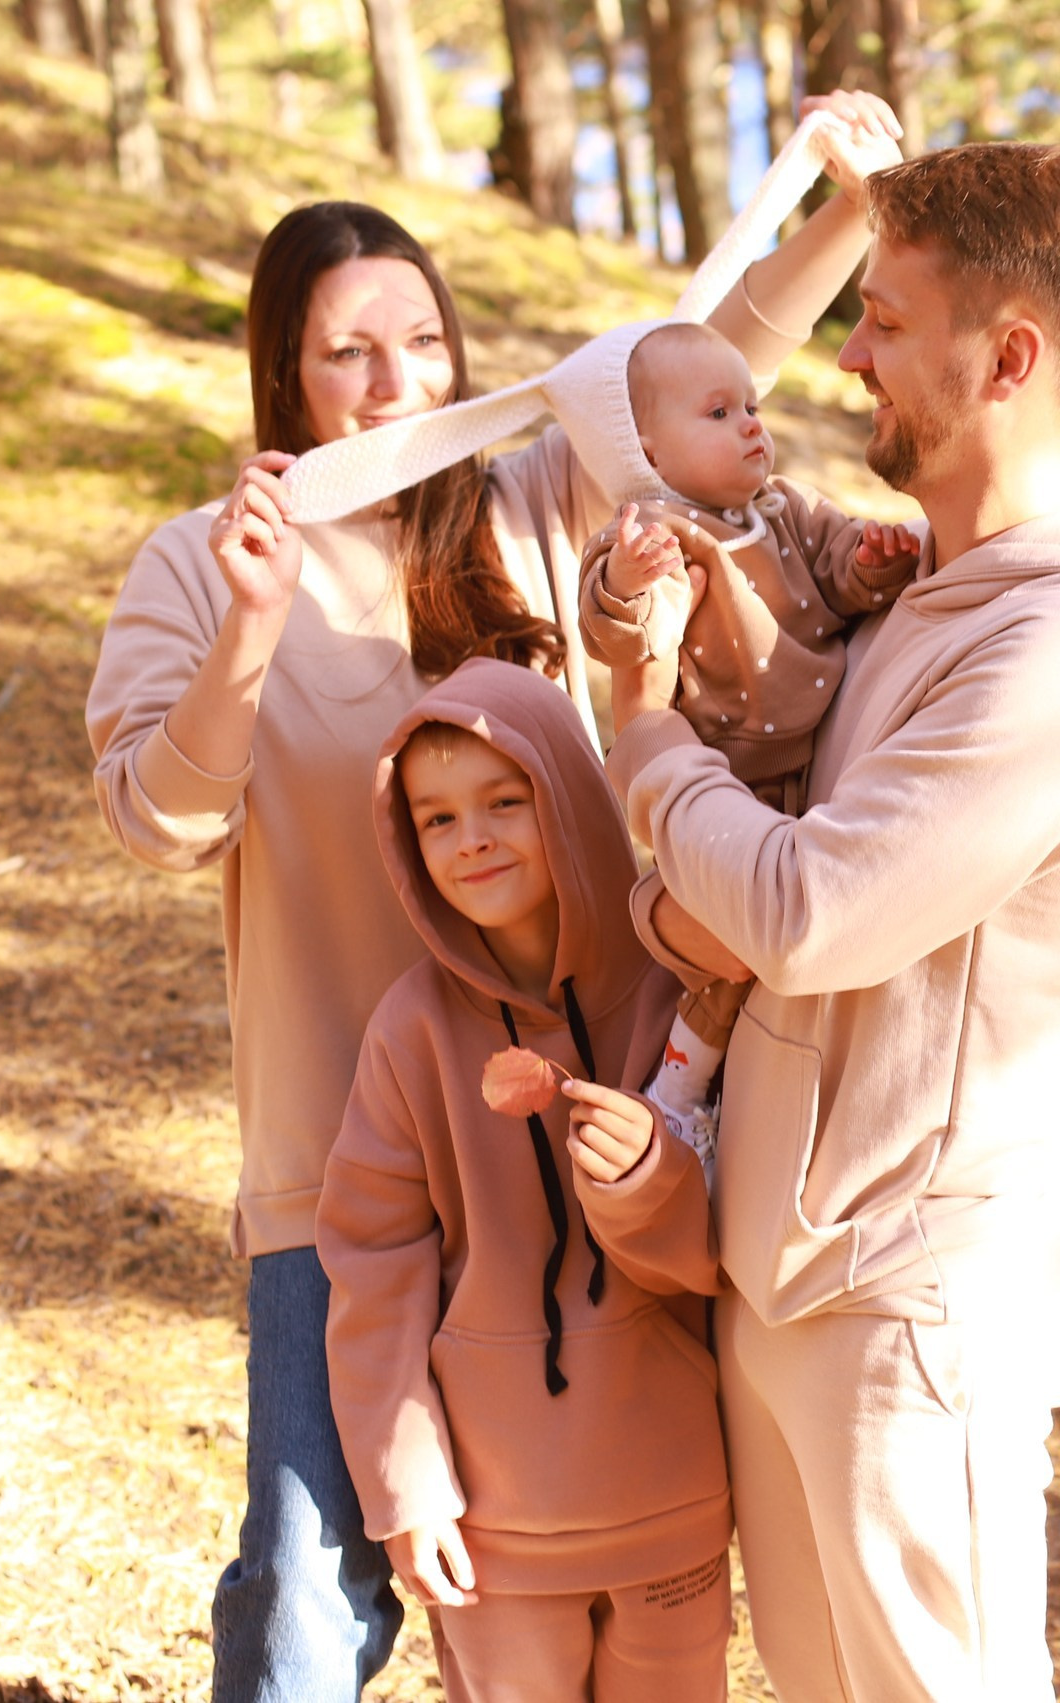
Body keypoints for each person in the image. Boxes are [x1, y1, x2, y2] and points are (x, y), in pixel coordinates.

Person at [83, 87, 901, 1703]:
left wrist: (852, 208)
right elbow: (156, 822)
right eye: (350, 352)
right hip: (345, 1165)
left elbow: (701, 354)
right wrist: (248, 636)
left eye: (421, 339)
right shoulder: (199, 564)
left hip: (580, 1129)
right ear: (286, 376)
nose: (398, 381)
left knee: (581, 1576)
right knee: (320, 1586)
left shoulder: (531, 499)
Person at [599, 144, 1060, 1701]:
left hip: (914, 1303)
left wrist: (638, 730)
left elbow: (812, 906)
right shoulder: (924, 588)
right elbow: (767, 882)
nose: (848, 351)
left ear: (1007, 356)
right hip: (799, 1265)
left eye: (882, 319)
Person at [319, 658, 727, 1702]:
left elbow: (713, 1253)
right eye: (438, 818)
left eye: (507, 801)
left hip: (669, 1492)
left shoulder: (681, 990)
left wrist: (646, 1183)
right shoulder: (411, 1027)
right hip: (493, 1518)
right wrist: (406, 1485)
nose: (475, 839)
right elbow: (375, 1267)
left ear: (570, 797)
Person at [575, 321, 922, 1163]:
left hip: (809, 775)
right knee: (725, 956)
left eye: (753, 406)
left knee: (788, 943)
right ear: (647, 450)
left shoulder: (785, 509)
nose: (752, 427)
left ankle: (730, 1101)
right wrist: (625, 579)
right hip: (723, 782)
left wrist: (872, 559)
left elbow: (839, 565)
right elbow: (617, 628)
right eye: (720, 411)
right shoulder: (657, 530)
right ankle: (681, 1089)